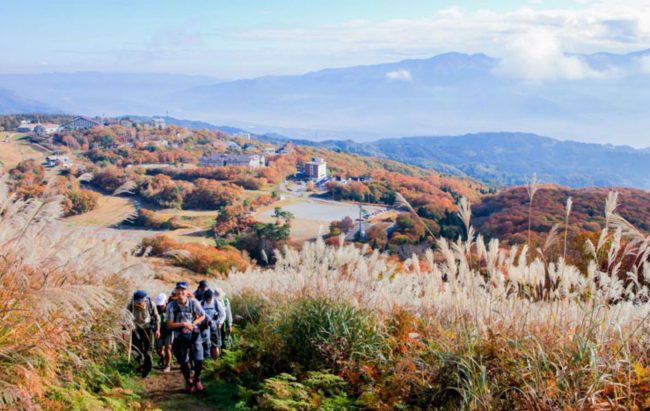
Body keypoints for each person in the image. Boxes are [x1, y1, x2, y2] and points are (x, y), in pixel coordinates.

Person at [167, 282, 206, 393]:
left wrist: (193, 324)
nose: (181, 292)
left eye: (183, 290)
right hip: (179, 336)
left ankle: (197, 379)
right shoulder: (171, 306)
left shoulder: (194, 302)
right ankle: (188, 380)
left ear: (187, 292)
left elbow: (202, 315)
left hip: (194, 335)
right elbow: (169, 324)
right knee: (183, 361)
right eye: (178, 290)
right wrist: (184, 324)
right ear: (175, 292)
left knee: (199, 359)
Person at [127, 290, 160, 378]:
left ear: (144, 300)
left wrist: (157, 330)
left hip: (148, 330)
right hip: (135, 330)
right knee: (136, 351)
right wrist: (125, 330)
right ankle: (138, 368)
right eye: (136, 300)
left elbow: (157, 318)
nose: (137, 303)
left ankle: (147, 370)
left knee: (147, 352)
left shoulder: (151, 305)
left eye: (139, 301)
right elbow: (126, 319)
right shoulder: (130, 306)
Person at [200, 289, 226, 359]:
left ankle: (216, 362)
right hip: (204, 327)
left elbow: (223, 314)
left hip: (214, 327)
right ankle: (207, 361)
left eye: (209, 299)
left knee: (215, 345)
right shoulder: (201, 303)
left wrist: (220, 323)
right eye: (207, 299)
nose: (208, 301)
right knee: (205, 345)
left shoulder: (217, 303)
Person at [154, 293, 173, 373]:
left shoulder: (170, 309)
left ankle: (167, 365)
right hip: (159, 331)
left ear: (165, 302)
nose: (160, 306)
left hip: (168, 330)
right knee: (159, 349)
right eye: (159, 305)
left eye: (162, 305)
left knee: (168, 348)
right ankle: (163, 357)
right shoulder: (155, 309)